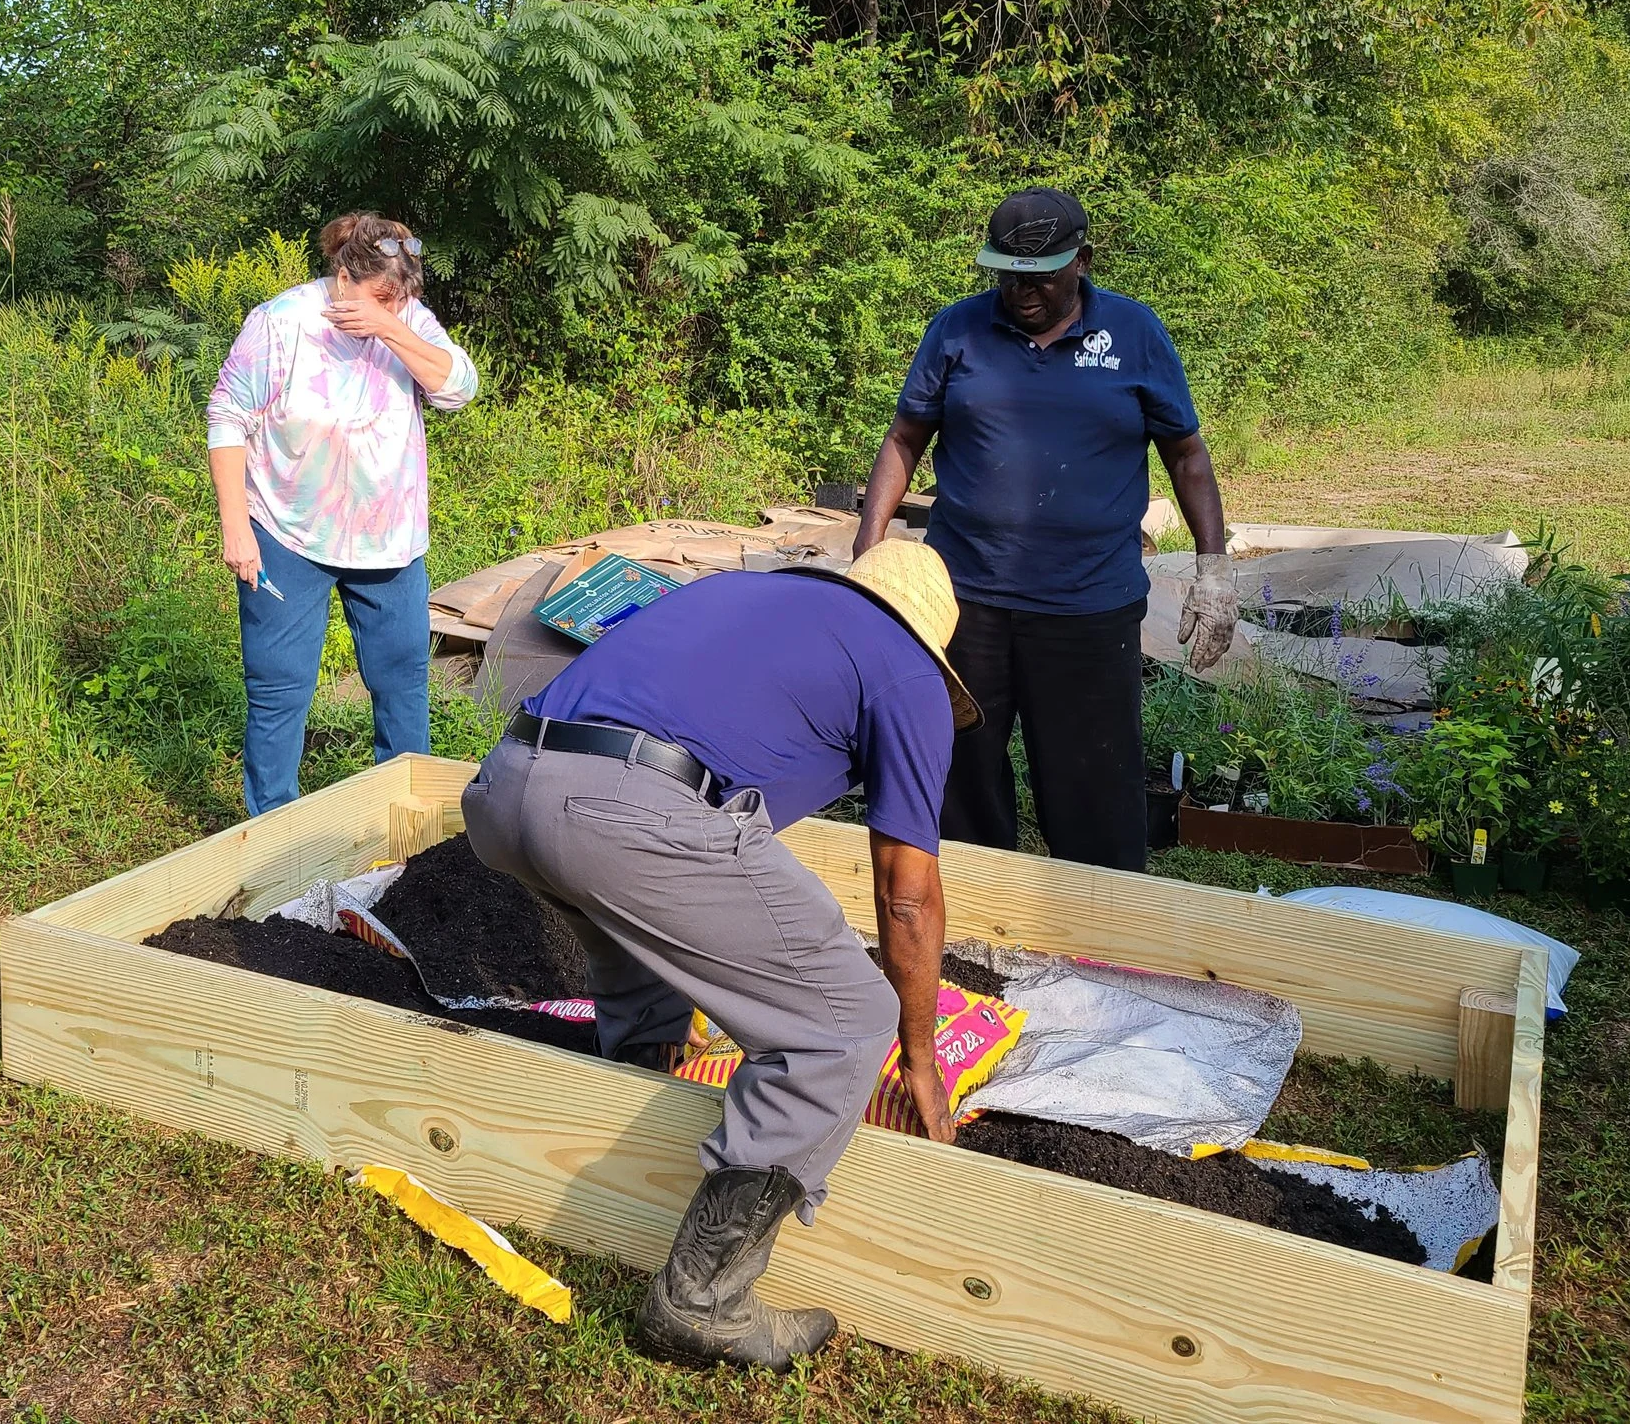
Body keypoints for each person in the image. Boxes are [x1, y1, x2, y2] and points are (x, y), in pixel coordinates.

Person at [460, 540, 980, 1371]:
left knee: (642, 938)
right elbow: (908, 896)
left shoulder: (752, 594)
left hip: (507, 783)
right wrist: (917, 1052)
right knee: (849, 1017)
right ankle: (702, 1298)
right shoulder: (908, 673)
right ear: (932, 644)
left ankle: (642, 1096)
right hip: (618, 810)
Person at [854, 187, 1234, 866]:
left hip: (1088, 608)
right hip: (965, 603)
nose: (1022, 290)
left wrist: (1213, 571)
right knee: (958, 775)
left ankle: (1102, 939)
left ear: (1083, 260)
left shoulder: (1135, 335)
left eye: (1041, 276)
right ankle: (969, 921)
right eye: (1008, 273)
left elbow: (1186, 453)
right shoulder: (957, 331)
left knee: (1094, 789)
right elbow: (905, 437)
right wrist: (868, 549)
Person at [206, 214, 478, 815]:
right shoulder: (280, 324)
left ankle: (412, 825)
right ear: (343, 274)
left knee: (402, 682)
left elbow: (458, 387)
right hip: (286, 532)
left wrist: (390, 325)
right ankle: (273, 833)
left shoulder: (406, 320)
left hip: (388, 540)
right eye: (381, 295)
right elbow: (228, 417)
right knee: (279, 690)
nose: (394, 304)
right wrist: (235, 526)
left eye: (403, 295)